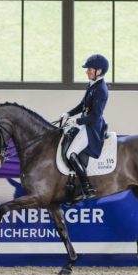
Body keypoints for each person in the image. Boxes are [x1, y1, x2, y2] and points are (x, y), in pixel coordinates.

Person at [59, 54, 109, 199]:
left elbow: (95, 116)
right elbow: (83, 105)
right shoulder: (92, 84)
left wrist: (77, 122)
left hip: (92, 128)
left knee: (70, 153)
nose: (87, 71)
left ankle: (87, 187)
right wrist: (69, 114)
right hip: (86, 123)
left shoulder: (101, 90)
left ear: (99, 71)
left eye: (90, 69)